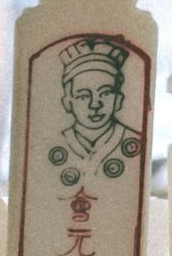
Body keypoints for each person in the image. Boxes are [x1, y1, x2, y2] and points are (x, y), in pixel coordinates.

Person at [46, 37, 142, 185]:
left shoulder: (134, 142)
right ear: (68, 103)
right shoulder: (51, 145)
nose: (95, 105)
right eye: (83, 96)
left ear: (118, 99)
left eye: (105, 93)